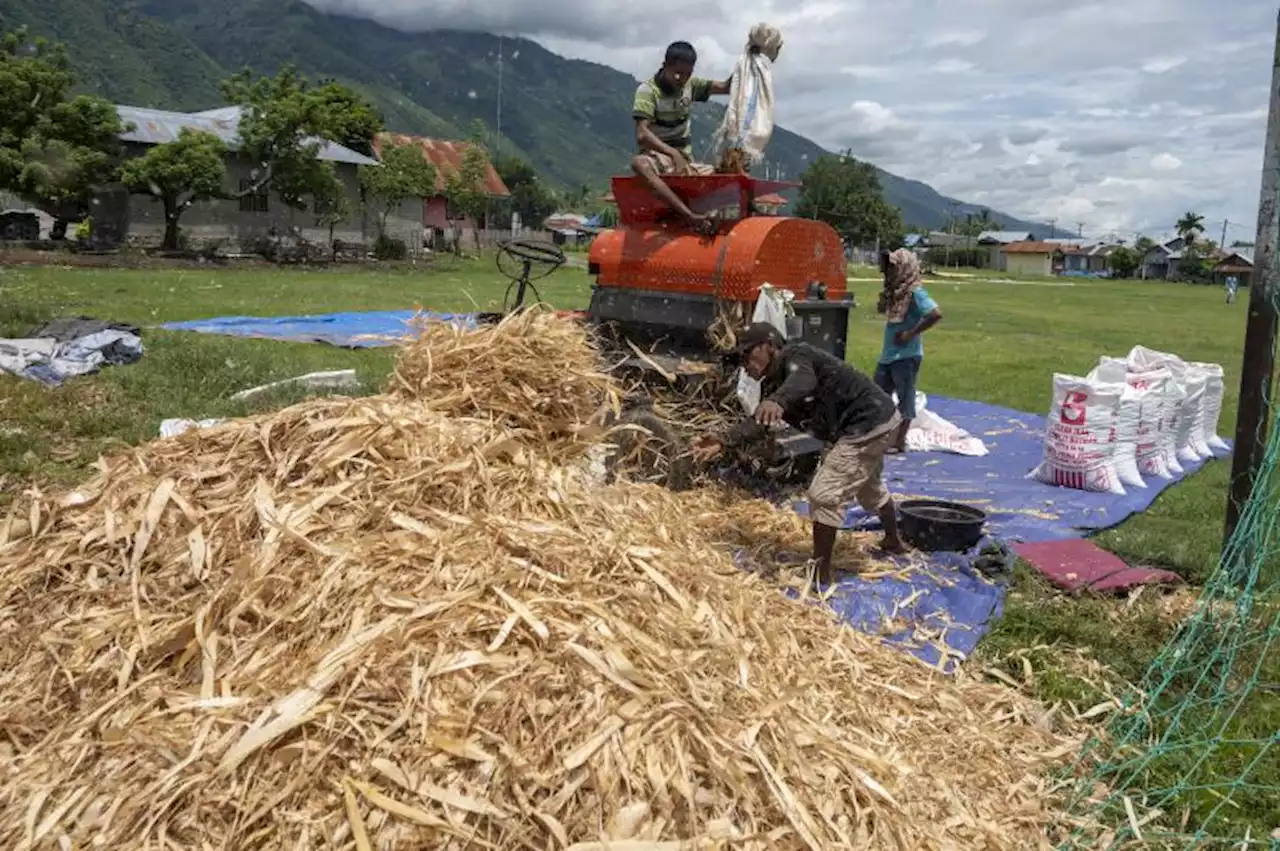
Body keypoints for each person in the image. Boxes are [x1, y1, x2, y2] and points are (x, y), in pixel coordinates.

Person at [694, 323, 907, 585]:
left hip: (867, 423)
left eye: (748, 354)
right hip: (871, 423)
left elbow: (803, 381)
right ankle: (893, 541)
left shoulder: (797, 355)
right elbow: (760, 422)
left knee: (823, 494)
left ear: (769, 346)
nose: (745, 366)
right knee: (868, 488)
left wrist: (779, 401)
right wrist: (724, 440)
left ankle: (821, 572)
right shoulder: (772, 385)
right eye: (741, 360)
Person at [631, 41, 732, 235]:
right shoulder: (648, 91)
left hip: (685, 162)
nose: (682, 79)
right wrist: (671, 152)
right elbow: (642, 134)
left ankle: (717, 226)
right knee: (639, 164)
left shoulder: (690, 85)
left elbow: (726, 87)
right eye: (677, 73)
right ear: (665, 65)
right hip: (658, 156)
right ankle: (688, 215)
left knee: (729, 174)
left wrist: (750, 58)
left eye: (687, 74)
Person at [875, 248, 943, 453]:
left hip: (906, 355)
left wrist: (910, 334)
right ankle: (879, 436)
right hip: (888, 355)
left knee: (905, 398)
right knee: (877, 396)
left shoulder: (915, 292)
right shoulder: (896, 292)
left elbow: (935, 314)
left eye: (891, 268)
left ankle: (899, 441)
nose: (887, 271)